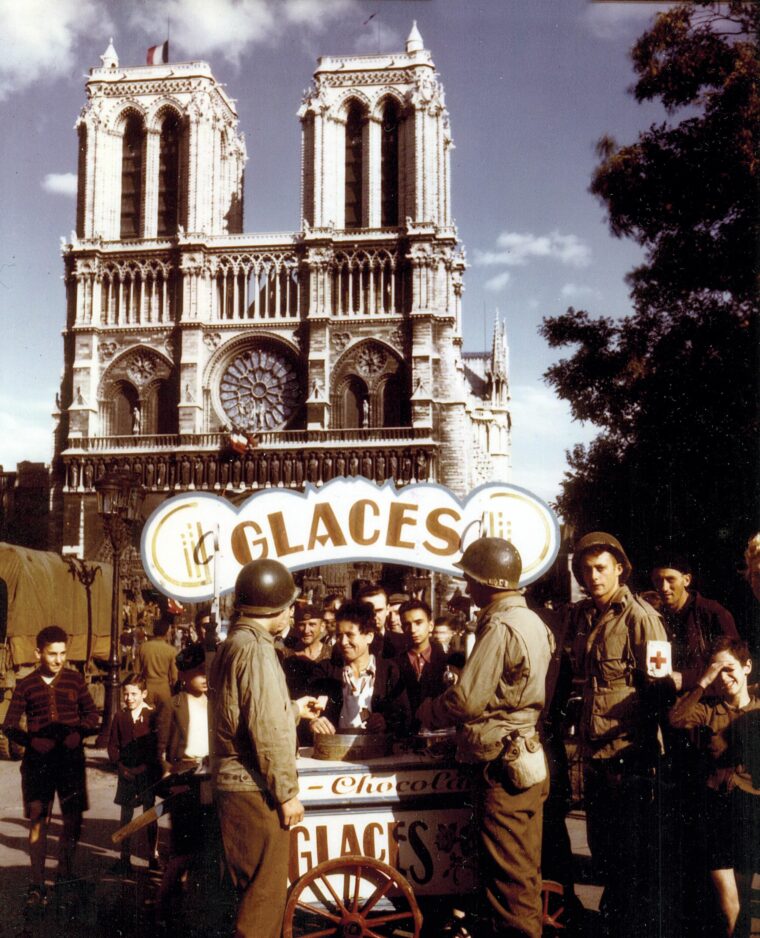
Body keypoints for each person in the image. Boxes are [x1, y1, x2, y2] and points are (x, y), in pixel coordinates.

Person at [417, 538, 554, 938]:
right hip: (525, 756)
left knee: (507, 882)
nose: (465, 585)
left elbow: (467, 700)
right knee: (522, 872)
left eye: (470, 577)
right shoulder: (534, 622)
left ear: (487, 582)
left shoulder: (499, 625)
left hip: (500, 763)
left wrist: (427, 711)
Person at [209, 559, 322, 938]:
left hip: (234, 785)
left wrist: (291, 709)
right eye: (289, 605)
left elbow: (241, 714)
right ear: (272, 608)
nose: (293, 613)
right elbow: (267, 730)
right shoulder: (257, 650)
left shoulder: (234, 644)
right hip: (255, 789)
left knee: (249, 897)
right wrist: (287, 794)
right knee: (263, 903)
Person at [568, 531, 667, 937]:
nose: (593, 576)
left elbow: (659, 689)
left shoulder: (642, 618)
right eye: (586, 570)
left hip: (629, 758)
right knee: (604, 853)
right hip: (596, 756)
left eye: (600, 568)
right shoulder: (586, 617)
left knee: (630, 861)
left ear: (620, 569)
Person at [1, 625, 99, 910]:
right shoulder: (26, 684)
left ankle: (65, 874)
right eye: (52, 654)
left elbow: (92, 714)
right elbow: (8, 725)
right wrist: (32, 742)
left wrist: (78, 733)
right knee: (37, 820)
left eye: (63, 653)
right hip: (38, 765)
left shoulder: (75, 680)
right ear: (38, 653)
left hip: (70, 763)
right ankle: (37, 883)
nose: (58, 659)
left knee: (72, 820)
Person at [669, 637, 760, 937]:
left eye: (730, 668)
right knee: (728, 906)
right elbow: (676, 717)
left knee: (742, 902)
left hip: (749, 815)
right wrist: (703, 682)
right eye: (718, 670)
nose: (725, 677)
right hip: (715, 816)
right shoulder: (709, 710)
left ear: (747, 667)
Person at [158, 643, 218, 927]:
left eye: (207, 671)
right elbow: (161, 749)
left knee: (206, 844)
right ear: (183, 675)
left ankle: (194, 904)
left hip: (210, 777)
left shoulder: (216, 702)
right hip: (184, 776)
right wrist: (168, 774)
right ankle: (162, 904)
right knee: (182, 848)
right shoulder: (174, 704)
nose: (205, 677)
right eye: (198, 672)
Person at [310, 600, 410, 738]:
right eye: (339, 635)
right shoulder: (325, 671)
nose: (343, 642)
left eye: (350, 635)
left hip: (377, 753)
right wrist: (314, 722)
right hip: (334, 751)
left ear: (369, 636)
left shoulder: (389, 671)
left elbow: (404, 718)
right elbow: (310, 712)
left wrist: (385, 722)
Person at [650, 553, 738, 692]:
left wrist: (686, 679)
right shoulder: (653, 616)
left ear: (686, 580)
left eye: (670, 579)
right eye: (658, 580)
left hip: (707, 700)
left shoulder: (713, 613)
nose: (664, 587)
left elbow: (733, 664)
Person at [107, 673, 162, 875]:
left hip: (146, 774)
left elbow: (156, 747)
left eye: (133, 694)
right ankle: (124, 857)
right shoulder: (120, 717)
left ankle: (152, 856)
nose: (129, 698)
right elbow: (112, 746)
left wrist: (144, 768)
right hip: (127, 774)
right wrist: (121, 767)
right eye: (126, 694)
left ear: (143, 694)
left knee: (150, 814)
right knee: (126, 816)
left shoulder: (152, 716)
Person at [396, 599, 448, 719]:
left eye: (418, 623)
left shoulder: (445, 661)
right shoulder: (394, 664)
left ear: (430, 625)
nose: (413, 630)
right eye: (407, 624)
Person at [135, 618, 179, 716]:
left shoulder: (142, 648)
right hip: (164, 689)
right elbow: (174, 677)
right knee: (164, 720)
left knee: (146, 718)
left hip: (147, 689)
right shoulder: (171, 650)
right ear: (167, 632)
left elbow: (137, 672)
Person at [356, 583, 405, 659]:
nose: (374, 616)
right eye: (368, 611)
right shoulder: (348, 644)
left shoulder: (404, 642)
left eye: (379, 610)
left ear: (387, 609)